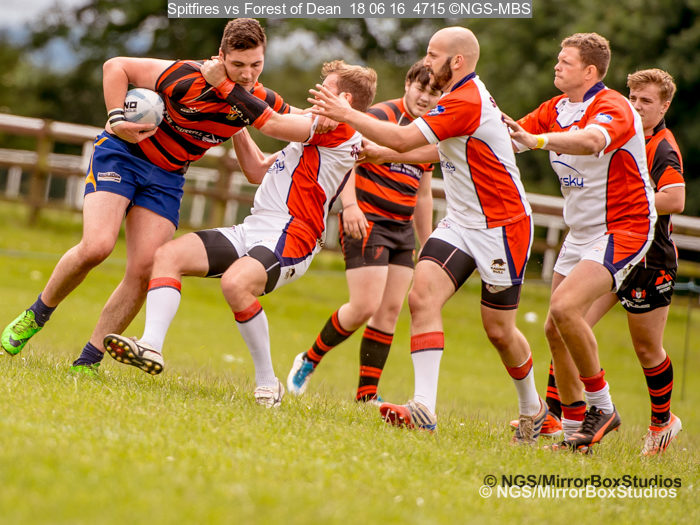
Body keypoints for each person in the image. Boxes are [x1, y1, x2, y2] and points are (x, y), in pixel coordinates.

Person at [0, 19, 297, 374]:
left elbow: (305, 128)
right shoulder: (187, 76)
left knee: (145, 270)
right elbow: (116, 66)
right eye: (238, 64)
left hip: (167, 177)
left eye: (256, 64)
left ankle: (87, 362)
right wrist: (116, 118)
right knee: (97, 246)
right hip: (123, 155)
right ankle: (36, 315)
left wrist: (340, 134)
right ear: (220, 57)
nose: (247, 74)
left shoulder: (257, 101)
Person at [310, 27, 546, 444]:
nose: (426, 60)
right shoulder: (458, 96)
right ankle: (424, 408)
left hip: (502, 226)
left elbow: (405, 137)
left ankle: (534, 409)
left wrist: (346, 114)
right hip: (461, 222)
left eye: (433, 54)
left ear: (457, 61)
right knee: (421, 298)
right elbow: (439, 148)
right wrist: (383, 154)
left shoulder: (465, 100)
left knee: (499, 330)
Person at [103, 60, 377, 407]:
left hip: (293, 235)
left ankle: (268, 383)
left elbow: (272, 122)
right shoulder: (316, 130)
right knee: (168, 256)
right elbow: (256, 170)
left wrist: (226, 88)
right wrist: (233, 119)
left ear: (345, 100)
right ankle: (151, 346)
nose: (315, 95)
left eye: (325, 89)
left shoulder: (337, 129)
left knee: (236, 283)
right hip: (255, 228)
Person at [514, 68, 684, 455]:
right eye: (633, 98)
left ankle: (661, 423)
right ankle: (563, 416)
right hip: (604, 246)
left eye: (647, 101)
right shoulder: (613, 125)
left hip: (649, 258)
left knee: (647, 349)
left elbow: (675, 199)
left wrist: (631, 196)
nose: (636, 106)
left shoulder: (662, 147)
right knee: (565, 323)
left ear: (664, 107)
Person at [286, 61, 441, 404]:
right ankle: (309, 359)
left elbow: (424, 193)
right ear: (408, 84)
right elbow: (347, 157)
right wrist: (350, 205)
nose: (426, 98)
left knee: (389, 311)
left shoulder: (428, 131)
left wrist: (428, 241)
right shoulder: (380, 117)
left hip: (402, 229)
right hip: (367, 220)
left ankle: (367, 395)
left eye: (435, 93)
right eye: (421, 89)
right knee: (364, 305)